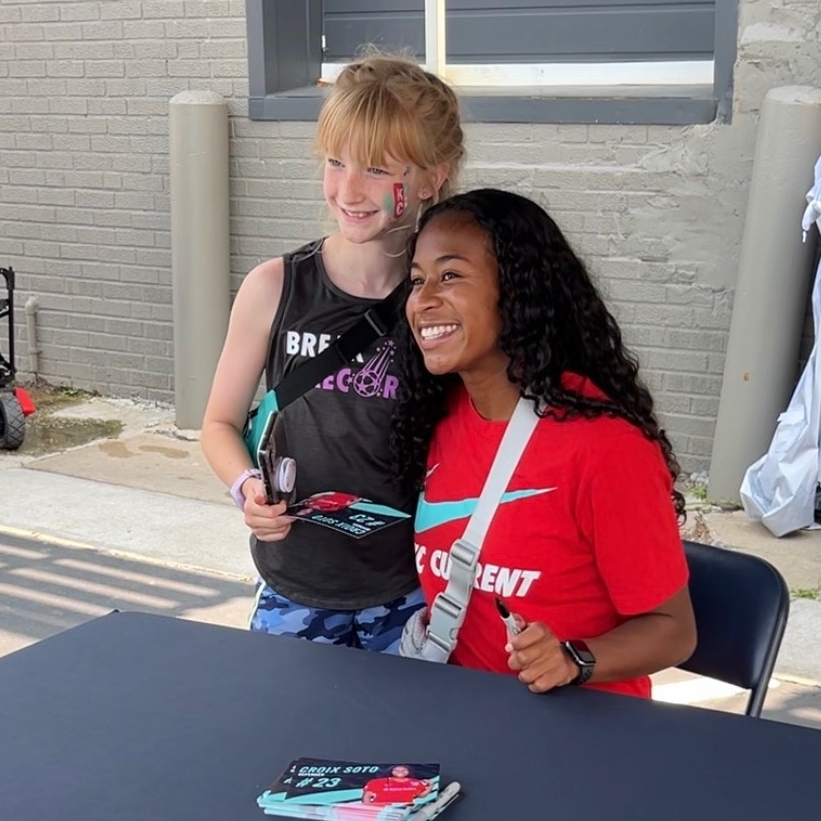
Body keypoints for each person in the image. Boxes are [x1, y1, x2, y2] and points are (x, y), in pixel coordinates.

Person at [200, 52, 465, 653]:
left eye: (377, 168)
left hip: (414, 591)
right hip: (296, 587)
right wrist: (248, 489)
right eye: (336, 161)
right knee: (287, 743)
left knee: (403, 747)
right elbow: (217, 423)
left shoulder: (448, 306)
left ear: (432, 176)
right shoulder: (276, 287)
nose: (349, 190)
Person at [391, 188, 697, 696]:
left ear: (516, 289)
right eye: (417, 281)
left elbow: (674, 630)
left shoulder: (605, 446)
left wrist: (574, 659)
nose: (422, 300)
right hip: (461, 708)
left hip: (576, 729)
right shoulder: (437, 416)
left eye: (451, 276)